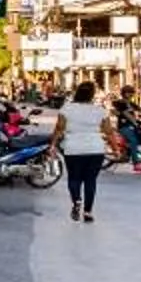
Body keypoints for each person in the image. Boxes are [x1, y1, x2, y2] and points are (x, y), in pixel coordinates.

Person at [53, 81, 119, 223]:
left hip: (72, 148)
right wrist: (116, 149)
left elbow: (59, 128)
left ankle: (76, 201)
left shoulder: (67, 109)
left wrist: (52, 146)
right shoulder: (99, 110)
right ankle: (88, 212)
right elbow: (109, 132)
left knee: (74, 178)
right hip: (95, 149)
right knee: (90, 180)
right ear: (92, 94)